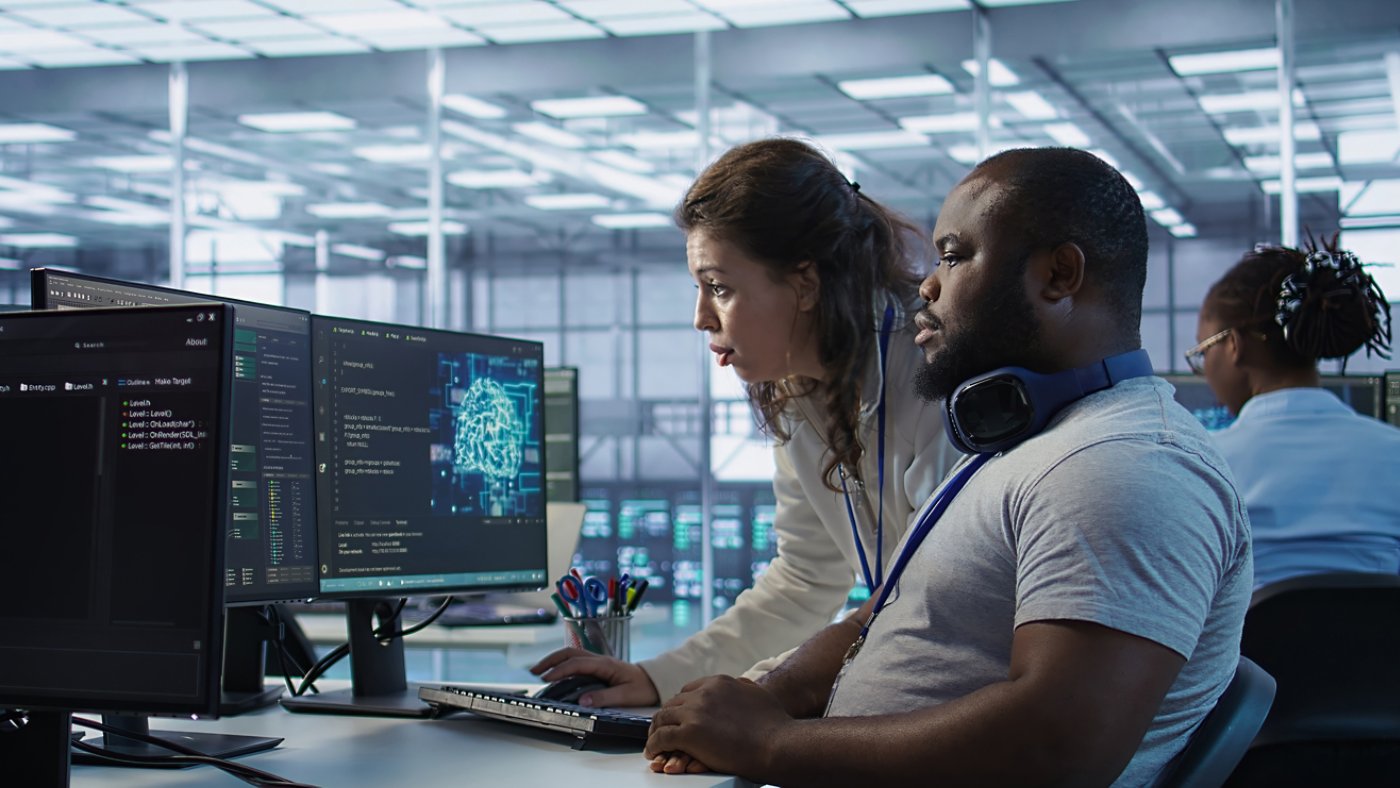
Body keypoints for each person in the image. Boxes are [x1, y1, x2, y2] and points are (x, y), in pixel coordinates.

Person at [642, 147, 1254, 786]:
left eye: (956, 256)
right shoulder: (1021, 447)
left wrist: (772, 745)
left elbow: (1057, 746)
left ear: (1059, 274)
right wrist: (765, 697)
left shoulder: (1125, 466)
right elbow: (876, 616)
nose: (927, 285)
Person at [530, 138, 960, 708]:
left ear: (805, 283)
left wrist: (760, 697)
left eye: (721, 288)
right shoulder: (800, 388)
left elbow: (931, 603)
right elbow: (805, 579)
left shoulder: (934, 377)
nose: (700, 317)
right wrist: (660, 678)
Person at [1192, 240, 1398, 588]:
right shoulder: (1394, 452)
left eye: (1202, 352)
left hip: (1253, 644)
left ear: (1233, 346)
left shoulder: (1205, 466)